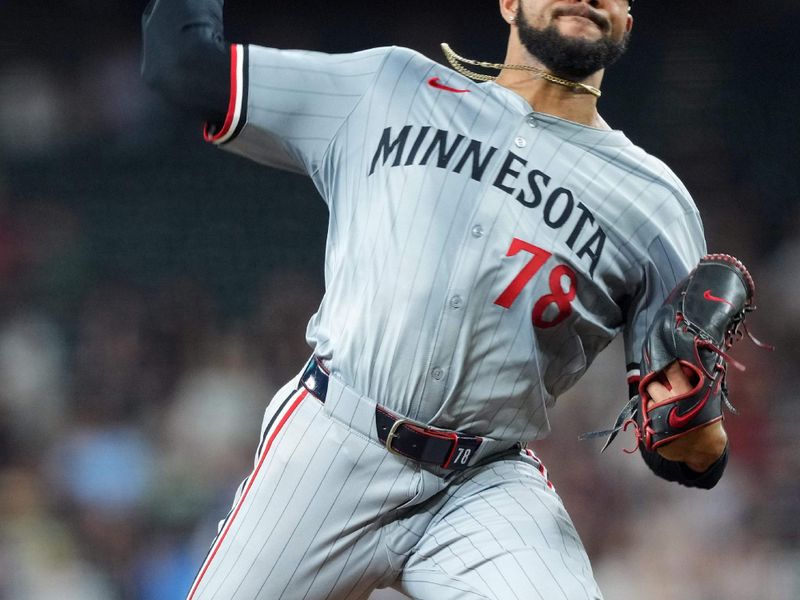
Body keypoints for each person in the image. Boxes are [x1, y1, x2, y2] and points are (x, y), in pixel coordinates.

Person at [141, 1, 735, 598]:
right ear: (509, 3)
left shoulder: (655, 204)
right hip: (333, 441)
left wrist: (690, 427)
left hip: (485, 483)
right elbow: (186, 68)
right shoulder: (387, 87)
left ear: (627, 22)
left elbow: (688, 450)